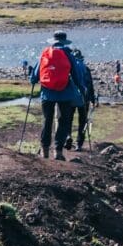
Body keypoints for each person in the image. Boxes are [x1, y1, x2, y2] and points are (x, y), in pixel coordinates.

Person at [30, 31, 88, 160]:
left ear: (53, 41)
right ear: (65, 41)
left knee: (47, 120)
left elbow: (34, 75)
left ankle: (44, 150)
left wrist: (33, 80)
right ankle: (58, 151)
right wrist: (81, 88)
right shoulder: (68, 54)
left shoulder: (45, 53)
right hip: (65, 93)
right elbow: (76, 75)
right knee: (63, 122)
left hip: (47, 93)